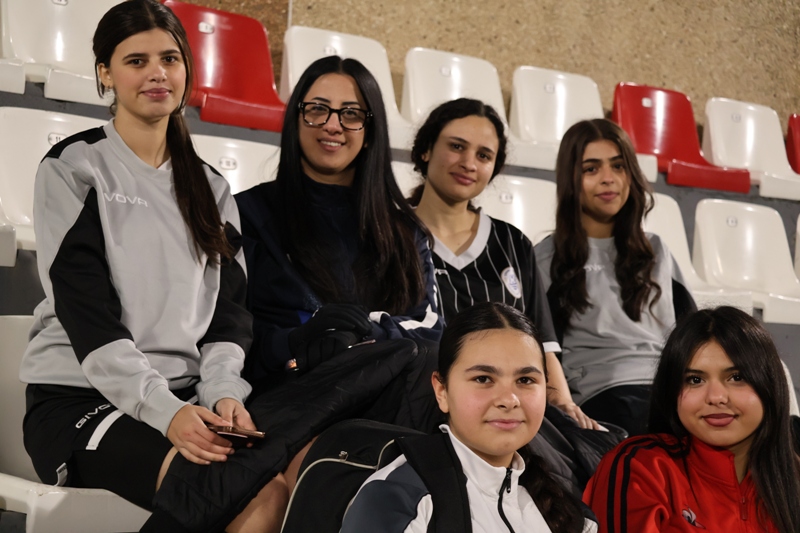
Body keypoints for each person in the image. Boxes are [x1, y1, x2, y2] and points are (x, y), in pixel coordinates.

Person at [19, 1, 286, 531]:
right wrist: (166, 412)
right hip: (80, 400)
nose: (157, 73)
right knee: (234, 497)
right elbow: (88, 317)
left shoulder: (212, 188)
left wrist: (223, 393)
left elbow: (228, 317)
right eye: (136, 61)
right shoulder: (74, 167)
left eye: (169, 58)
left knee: (279, 488)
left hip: (181, 397)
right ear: (105, 74)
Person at [235, 56, 441, 423]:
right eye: (317, 109)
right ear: (295, 118)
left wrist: (364, 333)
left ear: (370, 130)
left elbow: (432, 330)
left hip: (392, 404)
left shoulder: (404, 230)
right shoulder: (247, 213)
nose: (333, 125)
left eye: (351, 114)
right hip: (288, 403)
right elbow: (233, 332)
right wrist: (299, 341)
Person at [410, 97, 597, 430]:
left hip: (507, 408)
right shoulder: (387, 234)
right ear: (426, 149)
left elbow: (541, 344)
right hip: (418, 403)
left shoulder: (513, 242)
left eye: (483, 155)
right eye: (456, 146)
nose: (469, 163)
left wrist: (564, 405)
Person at [340, 302, 597, 532]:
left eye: (525, 380)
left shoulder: (570, 513)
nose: (509, 399)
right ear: (441, 391)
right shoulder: (398, 500)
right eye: (483, 379)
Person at [534, 118, 696, 436]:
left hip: (671, 388)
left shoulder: (657, 250)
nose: (608, 179)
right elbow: (539, 348)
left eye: (618, 166)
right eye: (591, 169)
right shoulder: (546, 258)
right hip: (603, 396)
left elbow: (693, 333)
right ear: (571, 179)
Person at [583, 306, 800, 533]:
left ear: (770, 385)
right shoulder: (641, 467)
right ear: (671, 390)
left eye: (736, 377)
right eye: (695, 380)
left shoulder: (793, 480)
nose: (716, 397)